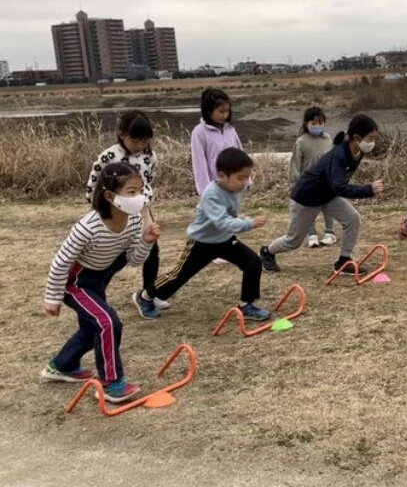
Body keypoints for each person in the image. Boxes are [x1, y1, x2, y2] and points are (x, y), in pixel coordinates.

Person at [41, 163, 160, 403]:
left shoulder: (134, 221)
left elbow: (135, 260)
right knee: (108, 322)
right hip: (74, 282)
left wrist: (147, 241)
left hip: (97, 280)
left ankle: (62, 365)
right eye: (131, 192)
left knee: (92, 328)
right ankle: (111, 383)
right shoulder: (88, 227)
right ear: (109, 196)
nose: (139, 197)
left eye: (140, 190)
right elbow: (61, 262)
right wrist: (52, 298)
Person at [133, 148, 271, 321]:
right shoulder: (211, 194)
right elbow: (223, 221)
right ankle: (145, 296)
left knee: (253, 263)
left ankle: (246, 305)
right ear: (222, 175)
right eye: (240, 178)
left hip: (225, 240)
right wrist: (249, 223)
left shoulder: (235, 189)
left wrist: (244, 219)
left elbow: (229, 218)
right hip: (202, 243)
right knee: (179, 276)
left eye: (247, 177)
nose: (245, 183)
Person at [260, 114, 384, 274]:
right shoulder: (340, 155)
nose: (372, 143)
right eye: (370, 138)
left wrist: (368, 190)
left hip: (327, 195)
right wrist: (369, 190)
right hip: (307, 197)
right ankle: (267, 252)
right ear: (357, 137)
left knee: (352, 218)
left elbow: (337, 186)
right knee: (294, 241)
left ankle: (344, 262)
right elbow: (340, 187)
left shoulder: (358, 151)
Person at [85, 110, 167, 317]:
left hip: (142, 210)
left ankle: (148, 293)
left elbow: (149, 181)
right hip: (116, 214)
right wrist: (104, 214)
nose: (140, 146)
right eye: (135, 141)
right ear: (122, 135)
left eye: (144, 141)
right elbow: (93, 187)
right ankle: (97, 294)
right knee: (118, 256)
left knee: (152, 250)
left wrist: (144, 204)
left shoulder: (150, 156)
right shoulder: (108, 157)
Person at [289, 106, 336, 248]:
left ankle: (330, 233)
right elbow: (295, 164)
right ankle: (312, 235)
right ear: (306, 124)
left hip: (326, 182)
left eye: (320, 123)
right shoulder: (301, 142)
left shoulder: (327, 138)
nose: (317, 126)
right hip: (308, 183)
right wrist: (295, 183)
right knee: (308, 210)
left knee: (328, 208)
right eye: (313, 123)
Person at [191, 88, 244, 196]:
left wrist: (245, 180)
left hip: (232, 188)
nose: (224, 115)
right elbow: (200, 165)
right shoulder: (199, 133)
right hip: (214, 190)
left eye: (227, 111)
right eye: (221, 111)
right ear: (209, 110)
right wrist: (205, 192)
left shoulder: (230, 130)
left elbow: (240, 156)